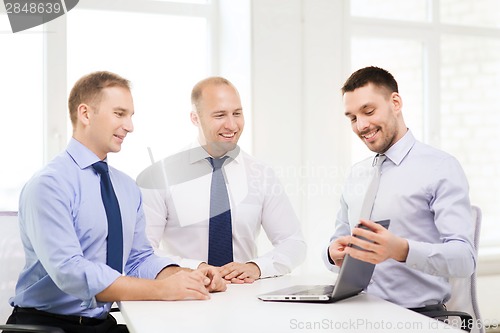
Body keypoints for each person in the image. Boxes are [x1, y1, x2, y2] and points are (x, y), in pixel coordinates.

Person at [7, 71, 226, 333]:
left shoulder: (126, 187)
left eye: (131, 116)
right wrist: (162, 290)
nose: (130, 126)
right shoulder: (49, 185)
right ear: (86, 114)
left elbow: (138, 259)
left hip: (101, 324)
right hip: (47, 327)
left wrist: (187, 277)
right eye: (120, 114)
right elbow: (71, 273)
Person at [323, 66, 476, 314]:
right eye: (352, 118)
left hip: (417, 316)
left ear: (395, 102)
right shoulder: (357, 173)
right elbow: (336, 241)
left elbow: (464, 260)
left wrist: (402, 250)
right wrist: (332, 254)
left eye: (368, 111)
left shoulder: (440, 167)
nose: (361, 125)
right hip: (357, 312)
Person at [136, 76, 306, 284]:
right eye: (219, 115)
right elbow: (143, 251)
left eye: (237, 113)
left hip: (246, 299)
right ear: (195, 118)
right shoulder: (159, 176)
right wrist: (195, 268)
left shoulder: (261, 175)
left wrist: (256, 267)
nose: (232, 125)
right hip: (183, 299)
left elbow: (293, 243)